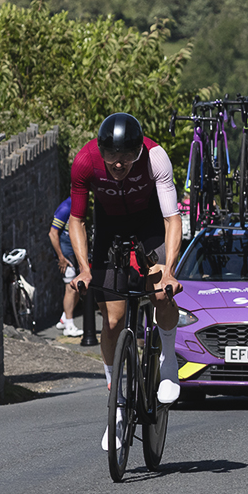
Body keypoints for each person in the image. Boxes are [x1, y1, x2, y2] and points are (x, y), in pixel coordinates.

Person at [68, 113, 183, 451]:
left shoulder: (155, 157)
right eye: (112, 157)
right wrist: (84, 268)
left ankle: (169, 360)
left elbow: (172, 218)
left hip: (149, 223)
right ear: (101, 151)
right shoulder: (85, 162)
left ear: (138, 151)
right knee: (114, 320)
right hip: (109, 229)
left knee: (162, 293)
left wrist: (170, 270)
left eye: (127, 158)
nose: (118, 164)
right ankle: (116, 405)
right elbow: (76, 220)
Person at [49, 196, 84, 337]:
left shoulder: (79, 204)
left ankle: (64, 318)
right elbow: (52, 233)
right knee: (70, 288)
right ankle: (69, 325)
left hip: (75, 252)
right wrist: (61, 257)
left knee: (77, 287)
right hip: (66, 254)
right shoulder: (65, 207)